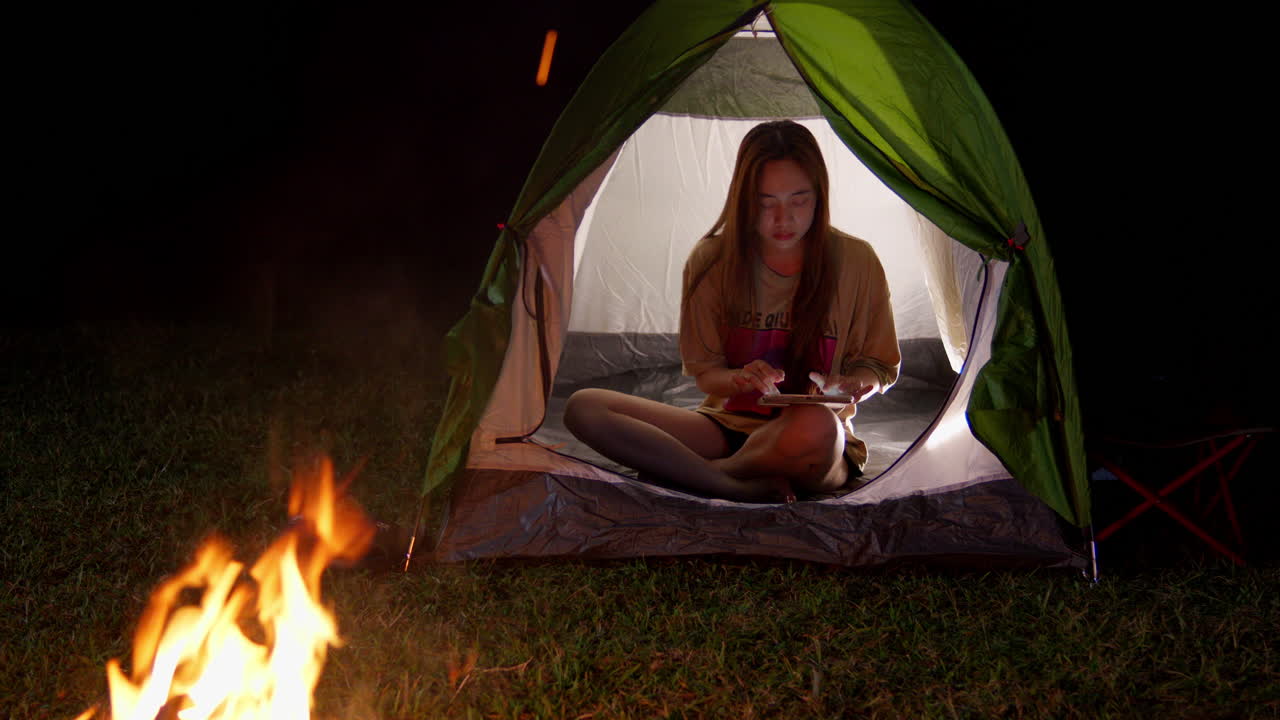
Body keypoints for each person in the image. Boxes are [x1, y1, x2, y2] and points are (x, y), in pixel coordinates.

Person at [563, 120, 900, 502]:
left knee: (816, 426)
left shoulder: (857, 261)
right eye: (765, 202)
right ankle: (727, 482)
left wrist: (859, 384)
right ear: (743, 200)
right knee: (584, 407)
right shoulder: (712, 260)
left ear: (820, 196)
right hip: (725, 427)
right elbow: (708, 376)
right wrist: (740, 379)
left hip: (812, 439)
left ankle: (702, 475)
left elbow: (878, 364)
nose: (782, 219)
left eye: (799, 200)